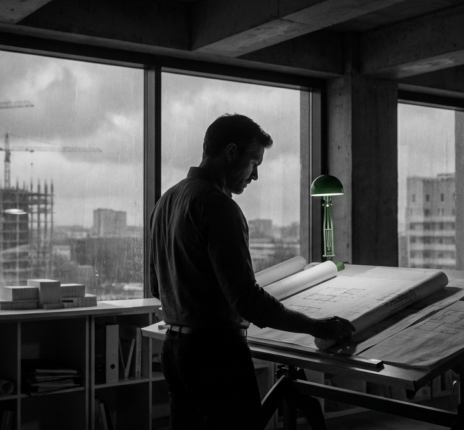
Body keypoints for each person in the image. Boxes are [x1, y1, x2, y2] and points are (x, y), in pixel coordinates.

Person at [149, 114, 355, 430]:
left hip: (175, 351)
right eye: (254, 162)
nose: (255, 175)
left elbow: (155, 286)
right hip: (215, 355)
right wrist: (316, 327)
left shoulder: (167, 200)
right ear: (231, 152)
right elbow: (246, 299)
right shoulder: (219, 206)